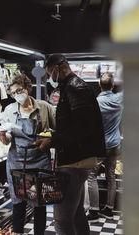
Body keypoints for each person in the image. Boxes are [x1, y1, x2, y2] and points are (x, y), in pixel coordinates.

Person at [34, 54, 105, 235]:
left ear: (58, 67)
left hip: (75, 160)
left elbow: (83, 127)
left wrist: (53, 140)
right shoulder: (72, 87)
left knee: (62, 220)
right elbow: (77, 125)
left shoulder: (75, 88)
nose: (50, 77)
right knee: (77, 213)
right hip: (77, 158)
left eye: (50, 72)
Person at [0, 74, 56, 235]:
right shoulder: (9, 110)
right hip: (17, 163)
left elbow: (57, 131)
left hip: (40, 162)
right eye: (13, 93)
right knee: (18, 205)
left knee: (40, 205)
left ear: (28, 88)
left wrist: (49, 138)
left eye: (19, 91)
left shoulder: (44, 107)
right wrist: (2, 135)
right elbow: (6, 141)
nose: (17, 95)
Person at [86, 72, 123, 222]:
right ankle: (109, 209)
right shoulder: (120, 99)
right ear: (113, 85)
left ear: (99, 85)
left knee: (91, 176)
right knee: (111, 176)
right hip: (115, 144)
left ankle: (94, 212)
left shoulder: (95, 103)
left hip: (101, 146)